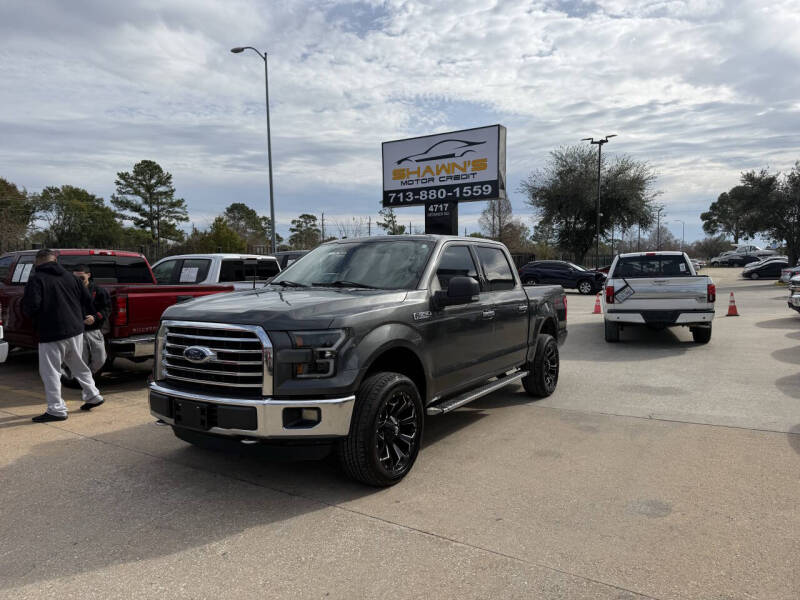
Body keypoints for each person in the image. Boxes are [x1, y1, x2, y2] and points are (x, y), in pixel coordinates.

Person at [21, 249, 104, 422]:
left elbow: (31, 307)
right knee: (78, 365)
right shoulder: (71, 277)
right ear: (55, 260)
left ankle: (56, 409)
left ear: (38, 262)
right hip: (75, 329)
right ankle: (93, 395)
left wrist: (34, 317)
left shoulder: (37, 279)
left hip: (51, 332)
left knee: (50, 371)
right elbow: (87, 300)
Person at [70, 264, 110, 373]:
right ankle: (86, 381)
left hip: (94, 331)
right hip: (77, 332)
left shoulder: (99, 291)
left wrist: (95, 317)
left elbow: (107, 309)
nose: (78, 280)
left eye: (81, 277)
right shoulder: (69, 292)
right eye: (75, 278)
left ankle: (88, 374)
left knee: (100, 359)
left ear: (88, 275)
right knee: (81, 360)